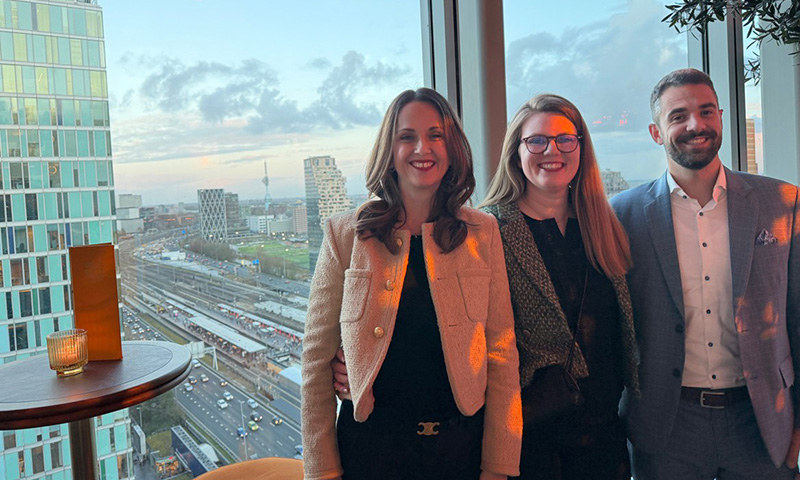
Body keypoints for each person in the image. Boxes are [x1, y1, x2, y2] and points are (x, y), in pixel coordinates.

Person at [301, 87, 522, 480]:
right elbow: (316, 363)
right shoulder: (345, 235)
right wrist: (322, 471)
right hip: (372, 453)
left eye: (436, 135)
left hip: (460, 451)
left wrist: (498, 466)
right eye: (407, 136)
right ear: (390, 151)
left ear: (452, 147)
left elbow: (501, 355)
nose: (423, 148)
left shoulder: (482, 233)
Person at [611, 68, 800, 479]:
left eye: (706, 111)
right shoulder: (622, 215)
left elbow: (797, 317)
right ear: (656, 132)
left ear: (721, 118)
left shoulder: (782, 202)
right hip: (667, 427)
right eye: (678, 116)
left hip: (762, 421)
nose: (695, 125)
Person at [478, 93, 640, 479]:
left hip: (604, 437)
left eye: (565, 139)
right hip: (530, 442)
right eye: (537, 140)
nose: (552, 150)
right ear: (516, 152)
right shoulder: (488, 230)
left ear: (581, 148)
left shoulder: (603, 225)